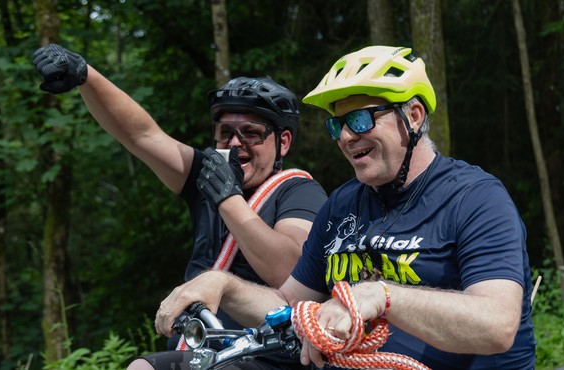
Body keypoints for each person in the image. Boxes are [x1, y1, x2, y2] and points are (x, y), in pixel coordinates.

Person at [153, 45, 536, 370]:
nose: (347, 136)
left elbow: (496, 325)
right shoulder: (343, 204)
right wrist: (224, 285)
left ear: (413, 116)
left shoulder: (476, 198)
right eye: (337, 125)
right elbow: (289, 304)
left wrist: (381, 296)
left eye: (360, 118)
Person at [32, 44, 327, 370]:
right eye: (225, 132)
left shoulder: (299, 191)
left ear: (282, 141)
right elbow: (142, 135)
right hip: (201, 351)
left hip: (267, 357)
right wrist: (85, 76)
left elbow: (291, 272)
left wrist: (229, 201)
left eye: (251, 134)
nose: (234, 143)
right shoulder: (207, 176)